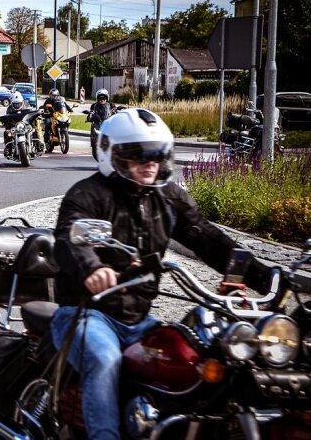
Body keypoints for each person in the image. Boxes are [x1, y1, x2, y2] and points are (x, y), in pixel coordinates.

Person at [50, 108, 270, 440]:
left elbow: (209, 239)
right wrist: (93, 268)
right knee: (105, 359)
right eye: (138, 155)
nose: (150, 163)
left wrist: (267, 278)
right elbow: (69, 237)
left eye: (156, 155)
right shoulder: (87, 194)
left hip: (139, 320)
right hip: (86, 314)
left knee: (197, 359)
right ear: (112, 153)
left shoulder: (166, 197)